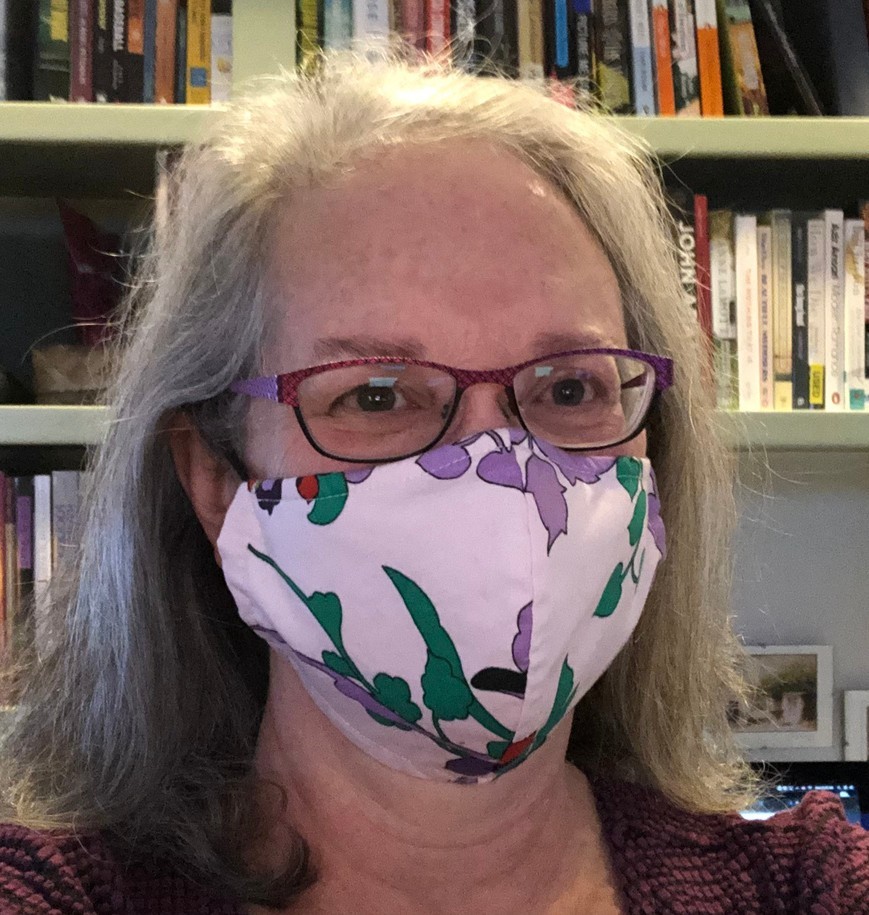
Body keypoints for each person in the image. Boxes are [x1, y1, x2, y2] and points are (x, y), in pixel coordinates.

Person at [1, 51, 867, 915]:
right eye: (375, 394)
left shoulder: (806, 884)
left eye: (569, 387)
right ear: (215, 479)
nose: (496, 470)